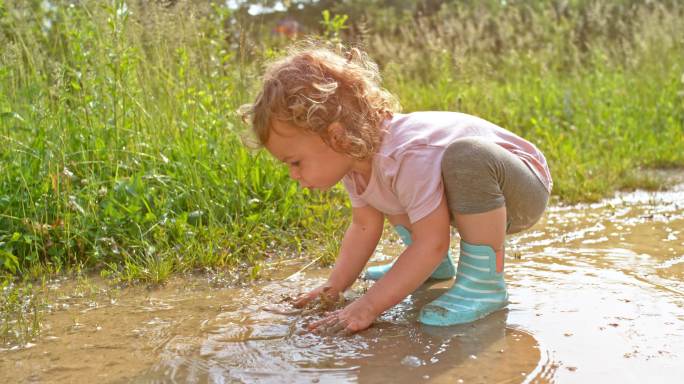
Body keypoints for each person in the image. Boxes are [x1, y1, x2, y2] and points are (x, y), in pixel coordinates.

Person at [240, 42, 552, 334]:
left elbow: (432, 243)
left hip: (519, 188)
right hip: (474, 193)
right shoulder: (353, 158)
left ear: (335, 136)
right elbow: (364, 226)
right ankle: (432, 271)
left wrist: (369, 305)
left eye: (295, 162)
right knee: (396, 189)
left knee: (465, 156)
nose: (293, 174)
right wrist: (333, 288)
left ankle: (484, 284)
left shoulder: (405, 154)